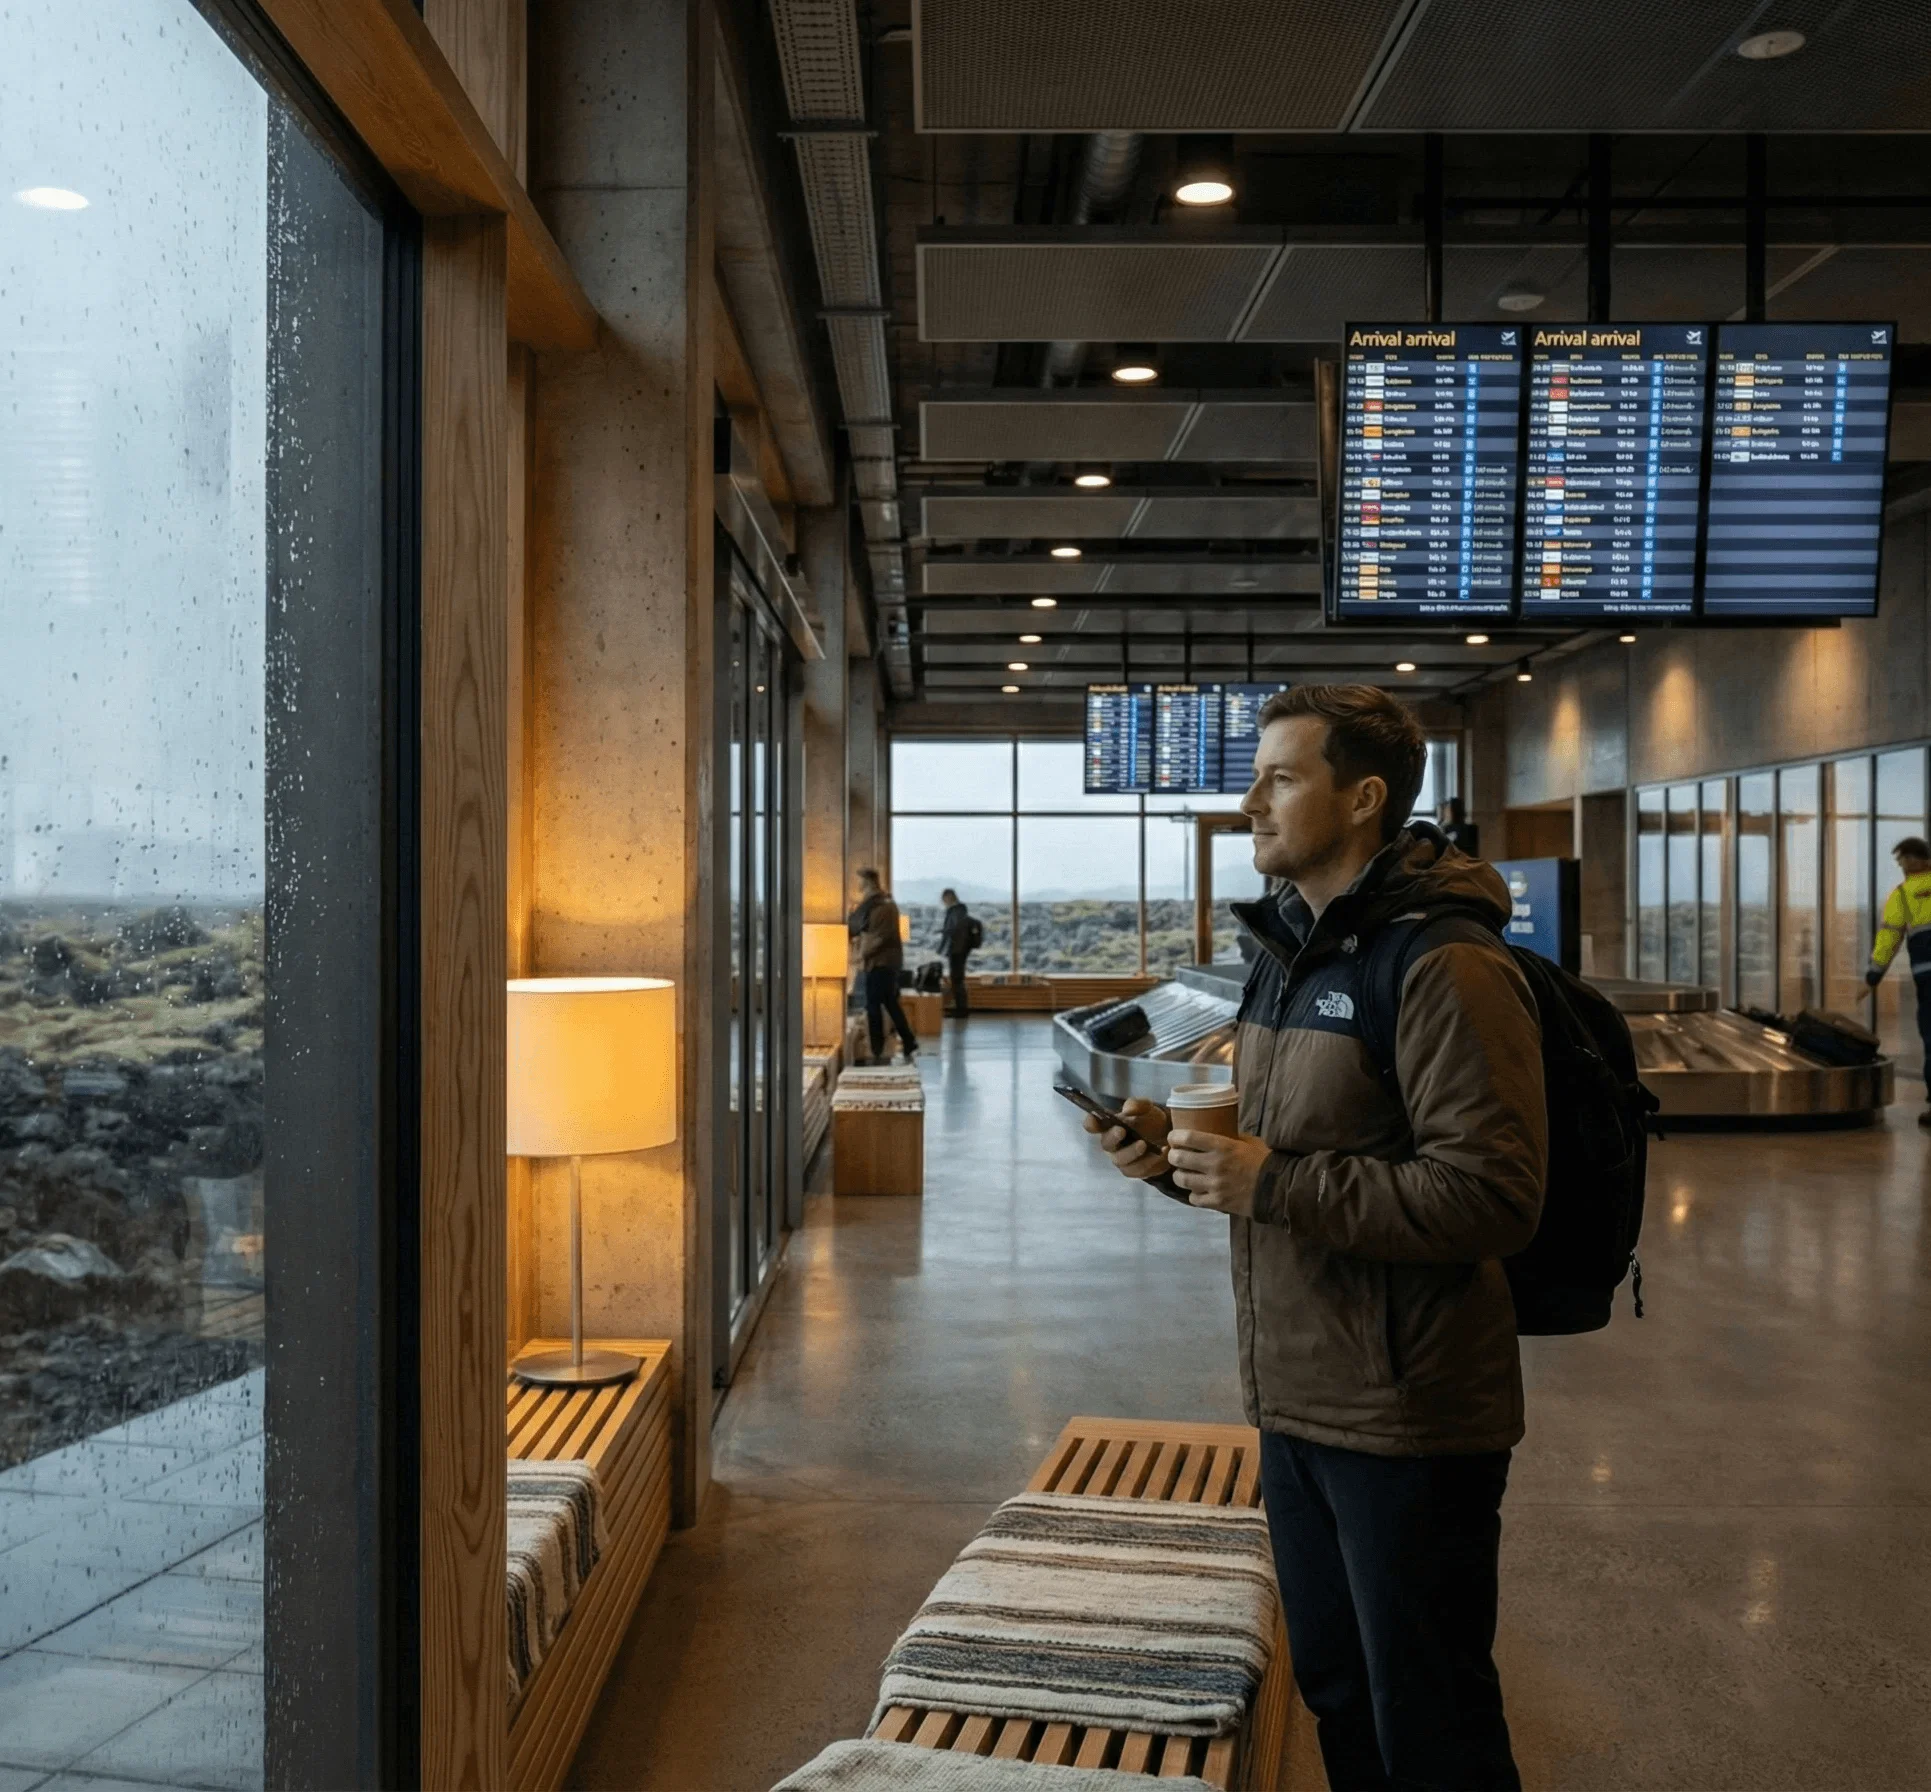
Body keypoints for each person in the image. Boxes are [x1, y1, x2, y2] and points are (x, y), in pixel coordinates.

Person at [1085, 684, 1546, 1792]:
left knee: (1427, 1718)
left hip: (1407, 1415)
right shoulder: (1285, 953)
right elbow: (1273, 1162)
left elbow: (1490, 1196)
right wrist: (1176, 1163)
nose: (1247, 799)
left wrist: (1270, 1180)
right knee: (1336, 1693)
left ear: (1362, 799)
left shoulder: (1443, 964)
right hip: (1293, 1396)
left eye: (1279, 777)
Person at [1866, 834, 1931, 1126]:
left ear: (1913, 859)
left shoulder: (1903, 895)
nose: (1901, 866)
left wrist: (1873, 975)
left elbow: (1889, 937)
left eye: (1902, 859)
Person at [847, 867, 917, 1064]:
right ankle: (908, 1041)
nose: (857, 885)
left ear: (868, 882)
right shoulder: (881, 904)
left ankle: (877, 1049)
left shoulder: (879, 906)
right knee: (889, 1003)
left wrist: (863, 955)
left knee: (874, 1005)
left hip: (880, 963)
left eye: (860, 881)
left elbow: (877, 937)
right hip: (885, 962)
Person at [938, 888, 975, 1017]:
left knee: (957, 979)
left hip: (957, 949)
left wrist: (944, 932)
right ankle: (960, 1008)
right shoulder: (960, 911)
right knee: (957, 979)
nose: (943, 903)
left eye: (944, 900)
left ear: (948, 898)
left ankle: (961, 1010)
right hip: (959, 948)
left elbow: (955, 929)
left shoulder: (956, 911)